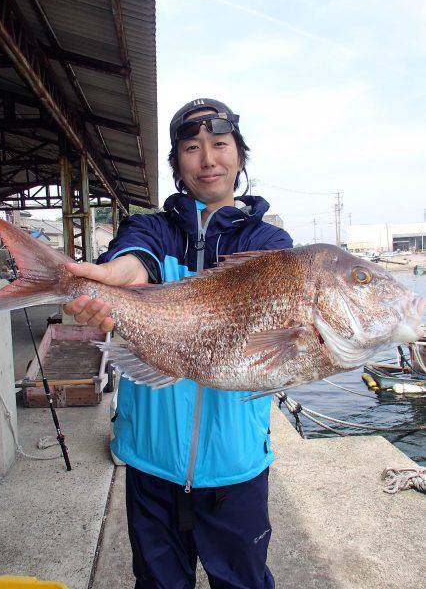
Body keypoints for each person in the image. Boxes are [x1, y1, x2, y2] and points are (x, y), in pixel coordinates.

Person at [63, 98, 293, 588]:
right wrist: (109, 279)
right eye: (192, 147)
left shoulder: (269, 245)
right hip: (151, 465)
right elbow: (135, 259)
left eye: (220, 144)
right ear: (176, 164)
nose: (208, 159)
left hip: (236, 469)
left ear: (240, 156)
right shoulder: (152, 228)